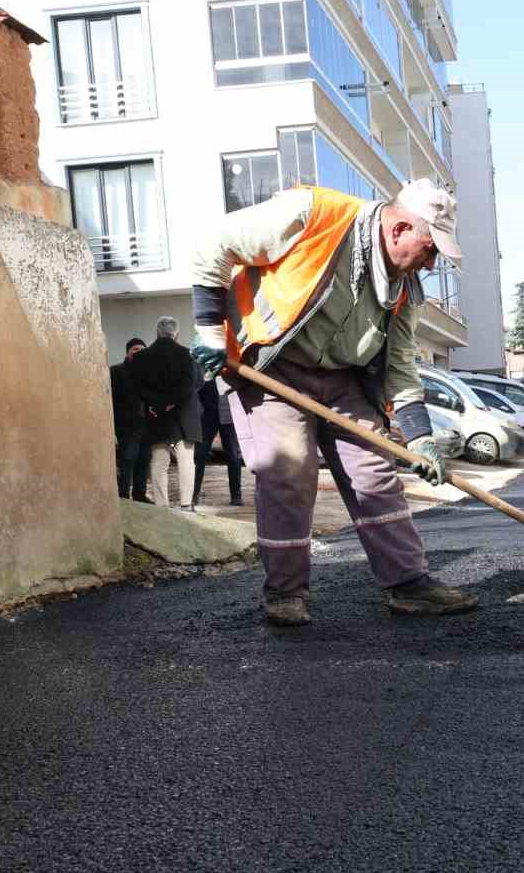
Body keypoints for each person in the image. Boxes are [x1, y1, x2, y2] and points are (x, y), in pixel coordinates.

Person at [186, 178, 477, 627]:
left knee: (375, 473)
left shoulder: (402, 287)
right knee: (288, 472)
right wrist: (210, 335)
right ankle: (285, 594)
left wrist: (420, 439)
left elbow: (400, 366)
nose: (430, 263)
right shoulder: (312, 214)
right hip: (272, 367)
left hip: (343, 379)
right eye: (430, 249)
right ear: (399, 229)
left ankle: (408, 584)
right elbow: (214, 246)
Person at [125, 316, 202, 510]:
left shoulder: (141, 357)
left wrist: (157, 404)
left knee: (159, 461)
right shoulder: (188, 355)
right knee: (186, 460)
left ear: (157, 333)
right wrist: (172, 403)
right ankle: (186, 504)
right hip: (183, 414)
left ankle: (162, 506)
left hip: (156, 415)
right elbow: (194, 383)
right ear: (176, 334)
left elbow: (135, 387)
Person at [110, 337, 153, 502]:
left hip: (146, 425)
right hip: (127, 426)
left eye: (142, 349)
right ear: (127, 352)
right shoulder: (116, 371)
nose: (139, 352)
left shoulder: (150, 374)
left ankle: (139, 494)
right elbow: (112, 400)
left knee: (143, 460)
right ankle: (122, 494)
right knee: (128, 460)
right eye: (135, 349)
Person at [192, 376, 244, 507]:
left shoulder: (233, 363)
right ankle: (193, 493)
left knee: (233, 455)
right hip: (208, 414)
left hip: (229, 414)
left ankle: (236, 495)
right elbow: (197, 386)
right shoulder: (206, 363)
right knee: (200, 454)